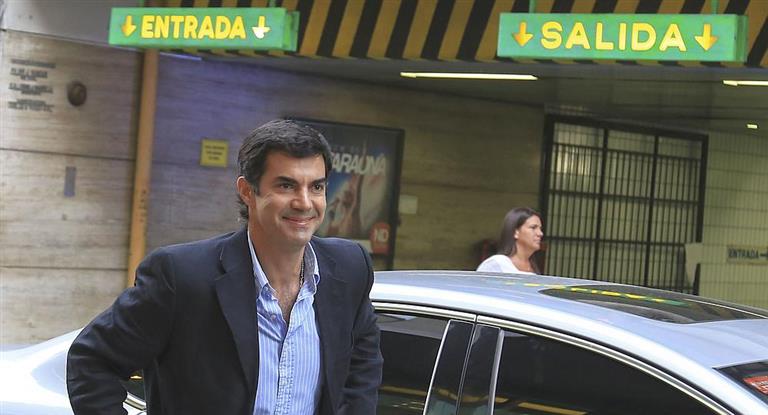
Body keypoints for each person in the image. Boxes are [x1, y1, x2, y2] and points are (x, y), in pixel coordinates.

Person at [67, 120, 383, 415]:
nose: (304, 202)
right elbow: (92, 361)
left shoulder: (349, 269)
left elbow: (362, 370)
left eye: (316, 187)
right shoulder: (182, 277)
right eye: (286, 186)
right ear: (247, 191)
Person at [477, 207, 544, 274]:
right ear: (515, 232)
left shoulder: (534, 267)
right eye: (533, 227)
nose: (540, 233)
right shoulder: (496, 264)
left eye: (540, 229)